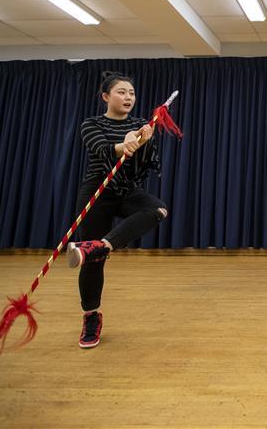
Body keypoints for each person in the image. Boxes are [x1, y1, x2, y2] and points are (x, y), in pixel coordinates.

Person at [67, 72, 168, 348]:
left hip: (125, 190)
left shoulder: (139, 125)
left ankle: (100, 245)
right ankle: (90, 317)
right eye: (122, 92)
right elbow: (100, 149)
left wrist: (144, 143)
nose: (128, 98)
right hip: (96, 192)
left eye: (132, 93)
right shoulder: (91, 124)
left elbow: (145, 166)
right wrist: (123, 145)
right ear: (106, 97)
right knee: (92, 264)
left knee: (157, 210)